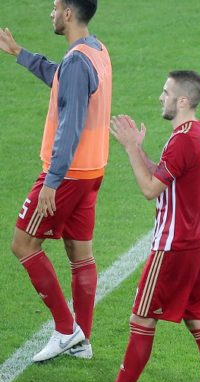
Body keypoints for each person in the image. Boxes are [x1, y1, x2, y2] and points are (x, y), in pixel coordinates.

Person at [70, 70, 200, 382]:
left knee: (141, 320)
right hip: (199, 244)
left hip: (174, 246)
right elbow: (165, 175)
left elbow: (150, 189)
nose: (161, 97)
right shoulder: (199, 133)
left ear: (182, 101)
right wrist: (140, 150)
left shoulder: (183, 141)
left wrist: (132, 148)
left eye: (166, 92)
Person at [0, 0, 111, 362]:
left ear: (68, 13)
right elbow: (60, 79)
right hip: (91, 170)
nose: (50, 13)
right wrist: (20, 53)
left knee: (23, 244)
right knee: (80, 253)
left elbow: (71, 123)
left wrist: (52, 180)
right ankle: (83, 340)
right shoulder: (95, 50)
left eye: (54, 6)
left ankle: (66, 330)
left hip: (67, 175)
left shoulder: (78, 61)